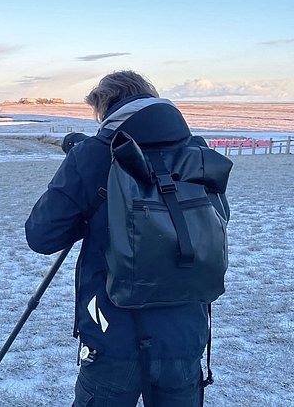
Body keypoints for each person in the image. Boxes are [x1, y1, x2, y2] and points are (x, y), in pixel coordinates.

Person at [25, 71, 226, 407]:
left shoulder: (93, 154)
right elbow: (216, 221)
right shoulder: (197, 152)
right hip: (187, 334)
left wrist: (88, 206)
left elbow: (41, 236)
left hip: (113, 338)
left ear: (105, 108)